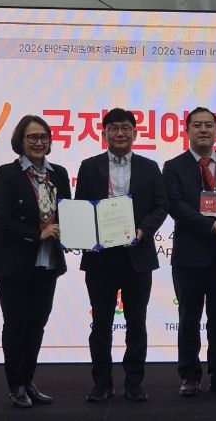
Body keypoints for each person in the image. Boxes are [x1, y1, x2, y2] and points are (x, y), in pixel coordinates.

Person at [75, 108, 168, 403]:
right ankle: (101, 383)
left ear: (135, 133)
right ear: (104, 133)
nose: (119, 133)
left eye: (125, 128)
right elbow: (81, 208)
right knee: (101, 324)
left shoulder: (150, 167)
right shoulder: (89, 167)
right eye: (113, 128)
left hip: (137, 256)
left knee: (136, 324)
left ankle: (134, 383)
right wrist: (86, 235)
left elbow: (161, 206)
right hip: (100, 258)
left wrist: (143, 231)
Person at [0, 115, 71, 408]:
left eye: (43, 137)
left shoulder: (59, 173)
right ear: (20, 140)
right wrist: (37, 233)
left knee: (37, 324)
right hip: (13, 261)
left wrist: (77, 233)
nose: (39, 142)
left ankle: (29, 381)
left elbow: (68, 215)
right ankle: (16, 385)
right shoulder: (7, 174)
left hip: (47, 261)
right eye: (32, 137)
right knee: (16, 323)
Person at [162, 106, 216, 396]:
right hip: (189, 255)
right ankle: (190, 376)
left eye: (209, 125)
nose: (203, 130)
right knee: (189, 318)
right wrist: (208, 225)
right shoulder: (173, 166)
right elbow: (175, 205)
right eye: (197, 125)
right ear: (187, 130)